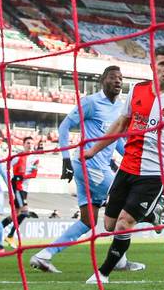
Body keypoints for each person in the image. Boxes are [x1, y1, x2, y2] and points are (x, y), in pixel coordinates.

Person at [80, 46, 164, 284]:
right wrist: (93, 150)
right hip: (126, 167)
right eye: (162, 64)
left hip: (154, 173)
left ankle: (102, 273)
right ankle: (153, 213)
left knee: (124, 223)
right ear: (153, 66)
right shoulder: (137, 89)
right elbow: (121, 123)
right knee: (109, 225)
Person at [31, 67, 136, 274]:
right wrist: (64, 159)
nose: (118, 81)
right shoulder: (90, 102)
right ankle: (120, 260)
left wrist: (134, 158)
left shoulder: (120, 109)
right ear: (102, 80)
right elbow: (64, 127)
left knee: (87, 221)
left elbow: (114, 141)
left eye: (121, 79)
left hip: (93, 168)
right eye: (113, 78)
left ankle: (43, 256)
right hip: (90, 165)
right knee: (126, 204)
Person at [1, 135, 40, 249]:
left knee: (16, 214)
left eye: (31, 143)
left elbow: (34, 174)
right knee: (25, 211)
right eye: (28, 143)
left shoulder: (35, 158)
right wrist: (14, 178)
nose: (30, 145)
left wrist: (22, 176)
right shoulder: (18, 157)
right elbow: (6, 167)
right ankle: (10, 235)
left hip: (24, 187)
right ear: (23, 144)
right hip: (17, 186)